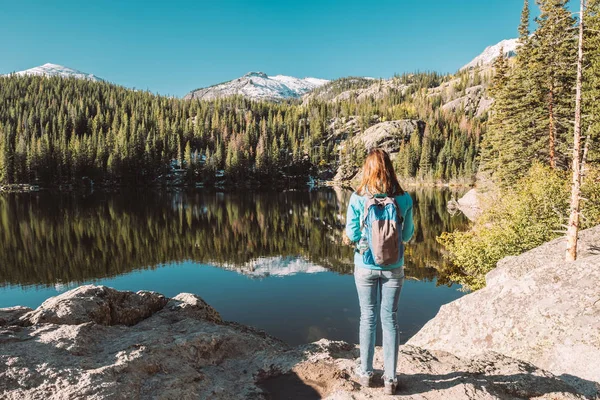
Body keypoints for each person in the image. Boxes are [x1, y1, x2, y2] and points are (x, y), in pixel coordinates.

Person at [344, 148, 414, 395]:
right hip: (394, 267)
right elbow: (407, 235)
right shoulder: (404, 198)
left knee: (368, 317)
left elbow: (352, 233)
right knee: (390, 319)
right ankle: (390, 379)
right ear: (389, 168)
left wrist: (360, 239)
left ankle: (365, 373)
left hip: (364, 265)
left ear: (368, 169)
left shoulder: (358, 197)